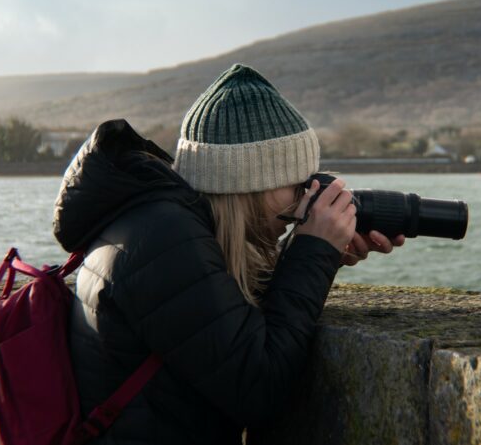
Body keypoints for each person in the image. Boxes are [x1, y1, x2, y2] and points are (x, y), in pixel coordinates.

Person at [53, 64, 405, 444]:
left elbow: (221, 327)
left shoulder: (161, 226)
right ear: (251, 184)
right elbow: (259, 388)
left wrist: (320, 255)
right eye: (299, 183)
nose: (306, 197)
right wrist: (312, 252)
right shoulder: (164, 239)